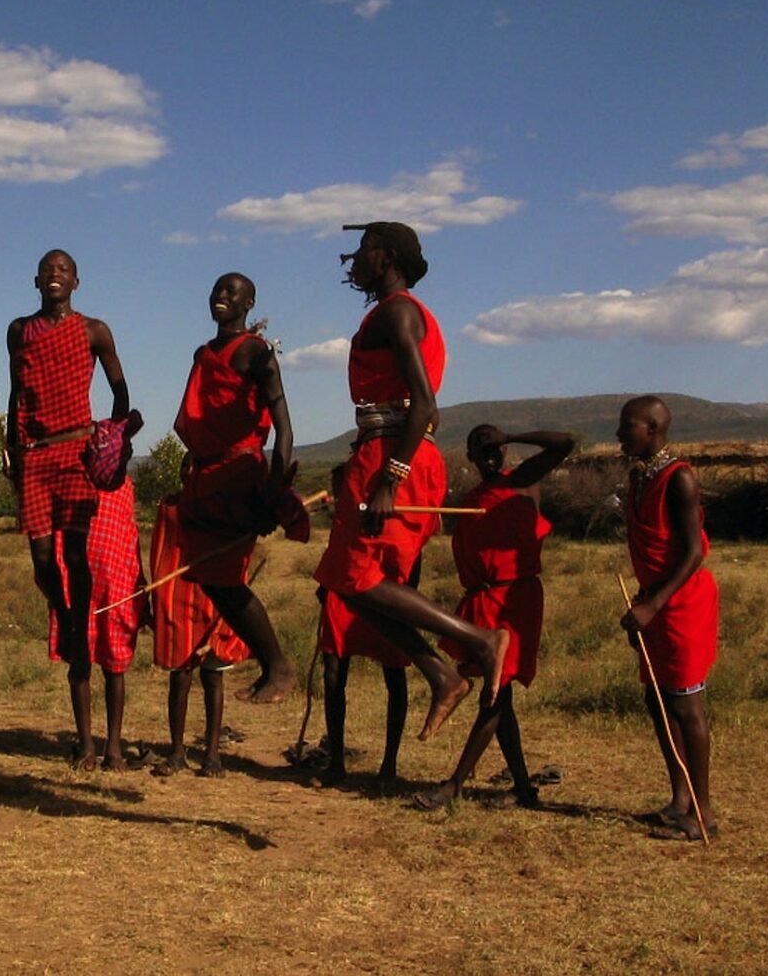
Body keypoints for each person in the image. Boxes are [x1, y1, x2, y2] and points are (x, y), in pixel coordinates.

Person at [313, 221, 509, 742]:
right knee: (345, 582)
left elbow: (424, 403)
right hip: (385, 451)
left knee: (356, 579)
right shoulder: (393, 312)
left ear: (387, 257)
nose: (354, 259)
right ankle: (441, 675)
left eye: (364, 249)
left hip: (393, 456)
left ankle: (481, 641)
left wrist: (390, 479)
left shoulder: (399, 312)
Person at [6, 249, 131, 769]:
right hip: (35, 455)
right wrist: (10, 448)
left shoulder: (93, 331)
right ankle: (70, 621)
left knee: (76, 556)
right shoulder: (20, 331)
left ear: (77, 281)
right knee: (42, 561)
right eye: (47, 270)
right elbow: (15, 394)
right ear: (35, 280)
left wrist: (114, 438)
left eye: (63, 270)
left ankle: (77, 628)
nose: (54, 276)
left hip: (77, 448)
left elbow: (121, 391)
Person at [414, 426, 574, 810]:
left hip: (515, 601)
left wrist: (511, 435)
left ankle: (454, 784)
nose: (488, 455)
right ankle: (523, 788)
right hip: (484, 599)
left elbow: (564, 443)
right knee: (500, 697)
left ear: (503, 451)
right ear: (469, 456)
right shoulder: (471, 499)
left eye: (494, 448)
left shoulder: (521, 480)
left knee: (495, 694)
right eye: (480, 448)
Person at [171, 272, 299, 705]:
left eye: (232, 292)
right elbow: (202, 416)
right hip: (206, 479)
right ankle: (270, 664)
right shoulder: (203, 353)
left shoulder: (256, 353)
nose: (221, 296)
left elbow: (284, 431)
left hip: (240, 477)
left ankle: (277, 665)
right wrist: (193, 456)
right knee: (209, 577)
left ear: (249, 304)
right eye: (217, 289)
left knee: (223, 577)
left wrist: (273, 494)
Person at [617, 396, 719, 840]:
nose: (619, 434)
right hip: (655, 601)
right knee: (656, 699)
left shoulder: (680, 479)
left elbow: (693, 553)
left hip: (682, 604)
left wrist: (653, 605)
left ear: (653, 429)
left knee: (685, 703)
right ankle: (680, 799)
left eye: (627, 426)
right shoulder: (639, 476)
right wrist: (642, 602)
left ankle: (703, 814)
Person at [149, 494, 250, 778]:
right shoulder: (170, 508)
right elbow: (160, 554)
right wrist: (162, 598)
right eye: (186, 472)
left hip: (214, 594)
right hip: (177, 592)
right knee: (180, 675)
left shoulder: (224, 506)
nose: (190, 474)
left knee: (212, 676)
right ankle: (177, 752)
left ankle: (212, 754)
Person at [46, 481, 145, 769]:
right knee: (79, 663)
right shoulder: (71, 482)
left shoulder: (124, 486)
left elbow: (130, 535)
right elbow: (57, 535)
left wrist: (138, 584)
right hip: (76, 586)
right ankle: (86, 745)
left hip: (116, 584)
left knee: (115, 667)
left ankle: (113, 748)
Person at [315, 542, 414, 789]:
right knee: (332, 675)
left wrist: (410, 596)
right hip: (344, 585)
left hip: (388, 588)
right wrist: (325, 580)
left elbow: (413, 549)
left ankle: (389, 766)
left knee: (394, 671)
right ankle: (336, 764)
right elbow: (339, 540)